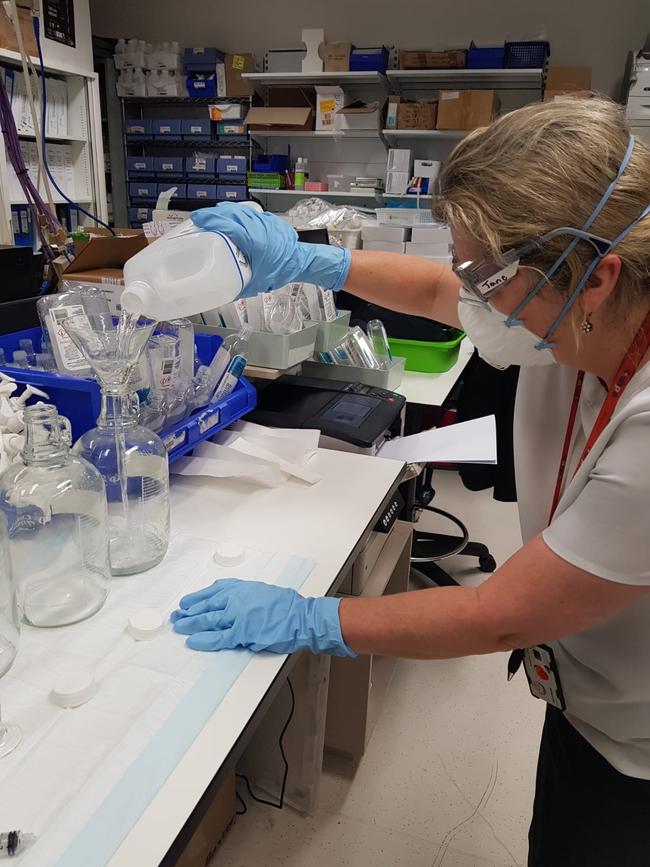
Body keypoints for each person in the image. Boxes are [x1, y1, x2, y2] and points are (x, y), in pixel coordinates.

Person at [170, 97, 650, 866]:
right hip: (584, 691)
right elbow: (435, 295)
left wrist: (315, 619)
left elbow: (498, 614)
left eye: (485, 276)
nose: (470, 294)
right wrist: (308, 257)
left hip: (639, 747)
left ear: (597, 278)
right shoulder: (578, 311)